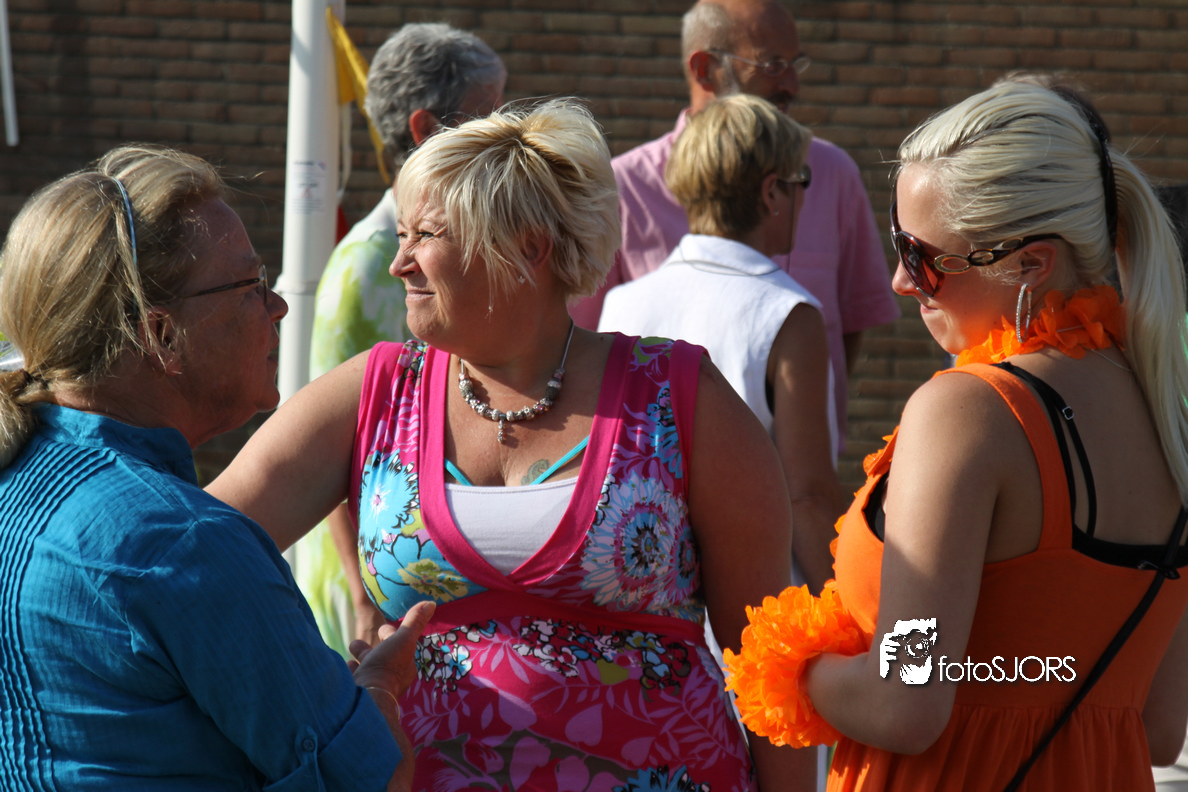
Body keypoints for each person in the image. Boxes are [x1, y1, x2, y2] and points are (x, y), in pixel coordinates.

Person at [208, 99, 817, 791]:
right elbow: (191, 546)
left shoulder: (675, 395)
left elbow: (767, 655)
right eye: (402, 235)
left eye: (426, 235)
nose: (399, 263)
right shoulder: (376, 391)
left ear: (529, 248)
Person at [733, 78, 1188, 791]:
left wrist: (788, 665)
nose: (899, 281)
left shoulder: (970, 411)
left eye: (921, 256)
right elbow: (1158, 728)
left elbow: (905, 697)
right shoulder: (1167, 409)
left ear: (1031, 263)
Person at [0, 144, 433, 790]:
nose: (278, 307)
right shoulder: (185, 543)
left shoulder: (22, 477)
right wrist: (380, 686)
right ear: (162, 335)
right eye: (251, 285)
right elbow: (374, 778)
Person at [571, 0, 900, 453]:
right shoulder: (622, 188)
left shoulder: (833, 173)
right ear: (705, 69)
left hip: (791, 462)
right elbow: (588, 346)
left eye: (796, 63)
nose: (792, 84)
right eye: (772, 65)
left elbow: (849, 325)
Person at [300, 22, 506, 656]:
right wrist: (364, 601)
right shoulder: (365, 267)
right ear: (425, 129)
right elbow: (328, 443)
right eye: (487, 113)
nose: (504, 132)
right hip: (367, 592)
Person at [598, 93, 845, 593]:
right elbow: (808, 497)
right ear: (772, 192)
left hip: (646, 598)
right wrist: (856, 610)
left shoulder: (621, 304)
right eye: (800, 180)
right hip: (760, 602)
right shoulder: (789, 314)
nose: (803, 197)